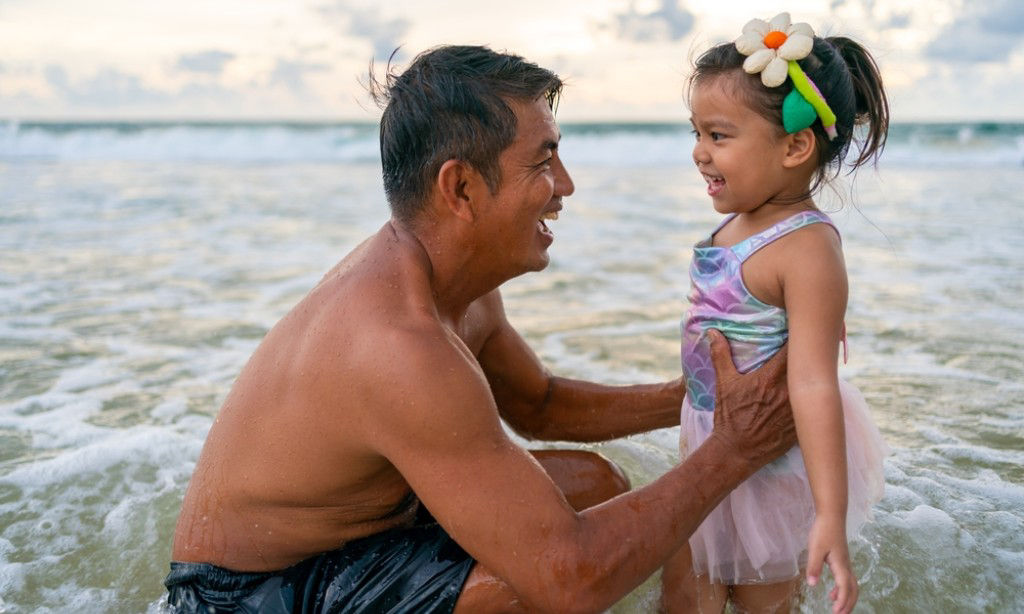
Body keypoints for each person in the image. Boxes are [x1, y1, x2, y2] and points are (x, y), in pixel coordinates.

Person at [164, 45, 797, 614]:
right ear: (461, 187)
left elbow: (538, 404)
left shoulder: (453, 283)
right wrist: (734, 450)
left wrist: (696, 394)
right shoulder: (398, 344)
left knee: (597, 488)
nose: (566, 186)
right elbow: (568, 581)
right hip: (246, 598)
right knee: (528, 584)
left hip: (369, 539)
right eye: (543, 160)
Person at [659, 13, 889, 614]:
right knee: (688, 598)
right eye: (697, 132)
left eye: (718, 136)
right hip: (711, 436)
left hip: (771, 464)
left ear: (794, 145)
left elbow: (813, 382)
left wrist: (829, 516)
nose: (698, 153)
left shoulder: (808, 247)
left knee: (763, 603)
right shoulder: (737, 219)